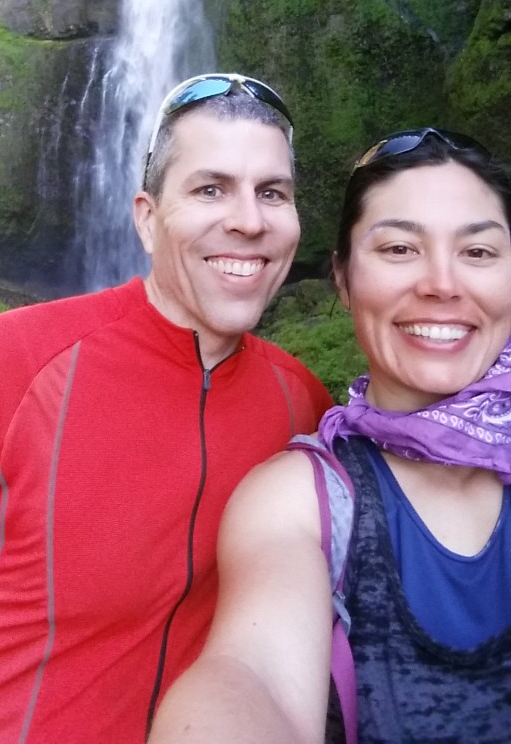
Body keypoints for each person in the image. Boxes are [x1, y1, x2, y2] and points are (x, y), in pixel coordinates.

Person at [0, 73, 331, 743]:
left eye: (272, 193)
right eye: (210, 189)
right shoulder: (11, 362)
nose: (248, 219)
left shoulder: (302, 407)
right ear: (147, 218)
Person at [148, 126, 511, 744]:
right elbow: (248, 675)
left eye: (478, 253)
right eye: (399, 249)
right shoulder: (304, 501)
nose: (442, 284)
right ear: (342, 279)